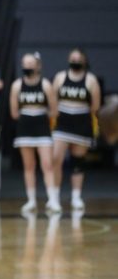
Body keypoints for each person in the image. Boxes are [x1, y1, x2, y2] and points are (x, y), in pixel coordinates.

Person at [10, 53, 60, 213]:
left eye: (31, 64)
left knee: (47, 164)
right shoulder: (17, 85)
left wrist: (39, 112)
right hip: (24, 128)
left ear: (38, 66)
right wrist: (28, 113)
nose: (27, 67)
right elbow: (14, 113)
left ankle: (52, 200)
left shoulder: (45, 85)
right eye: (25, 64)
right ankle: (31, 201)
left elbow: (54, 110)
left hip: (42, 128)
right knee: (29, 166)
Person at [52, 49, 101, 211]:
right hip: (62, 123)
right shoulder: (60, 77)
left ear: (84, 61)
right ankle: (54, 197)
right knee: (56, 159)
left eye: (78, 59)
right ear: (68, 59)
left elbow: (95, 106)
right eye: (72, 58)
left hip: (81, 123)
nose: (75, 61)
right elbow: (52, 100)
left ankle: (76, 197)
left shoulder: (91, 80)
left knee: (77, 162)